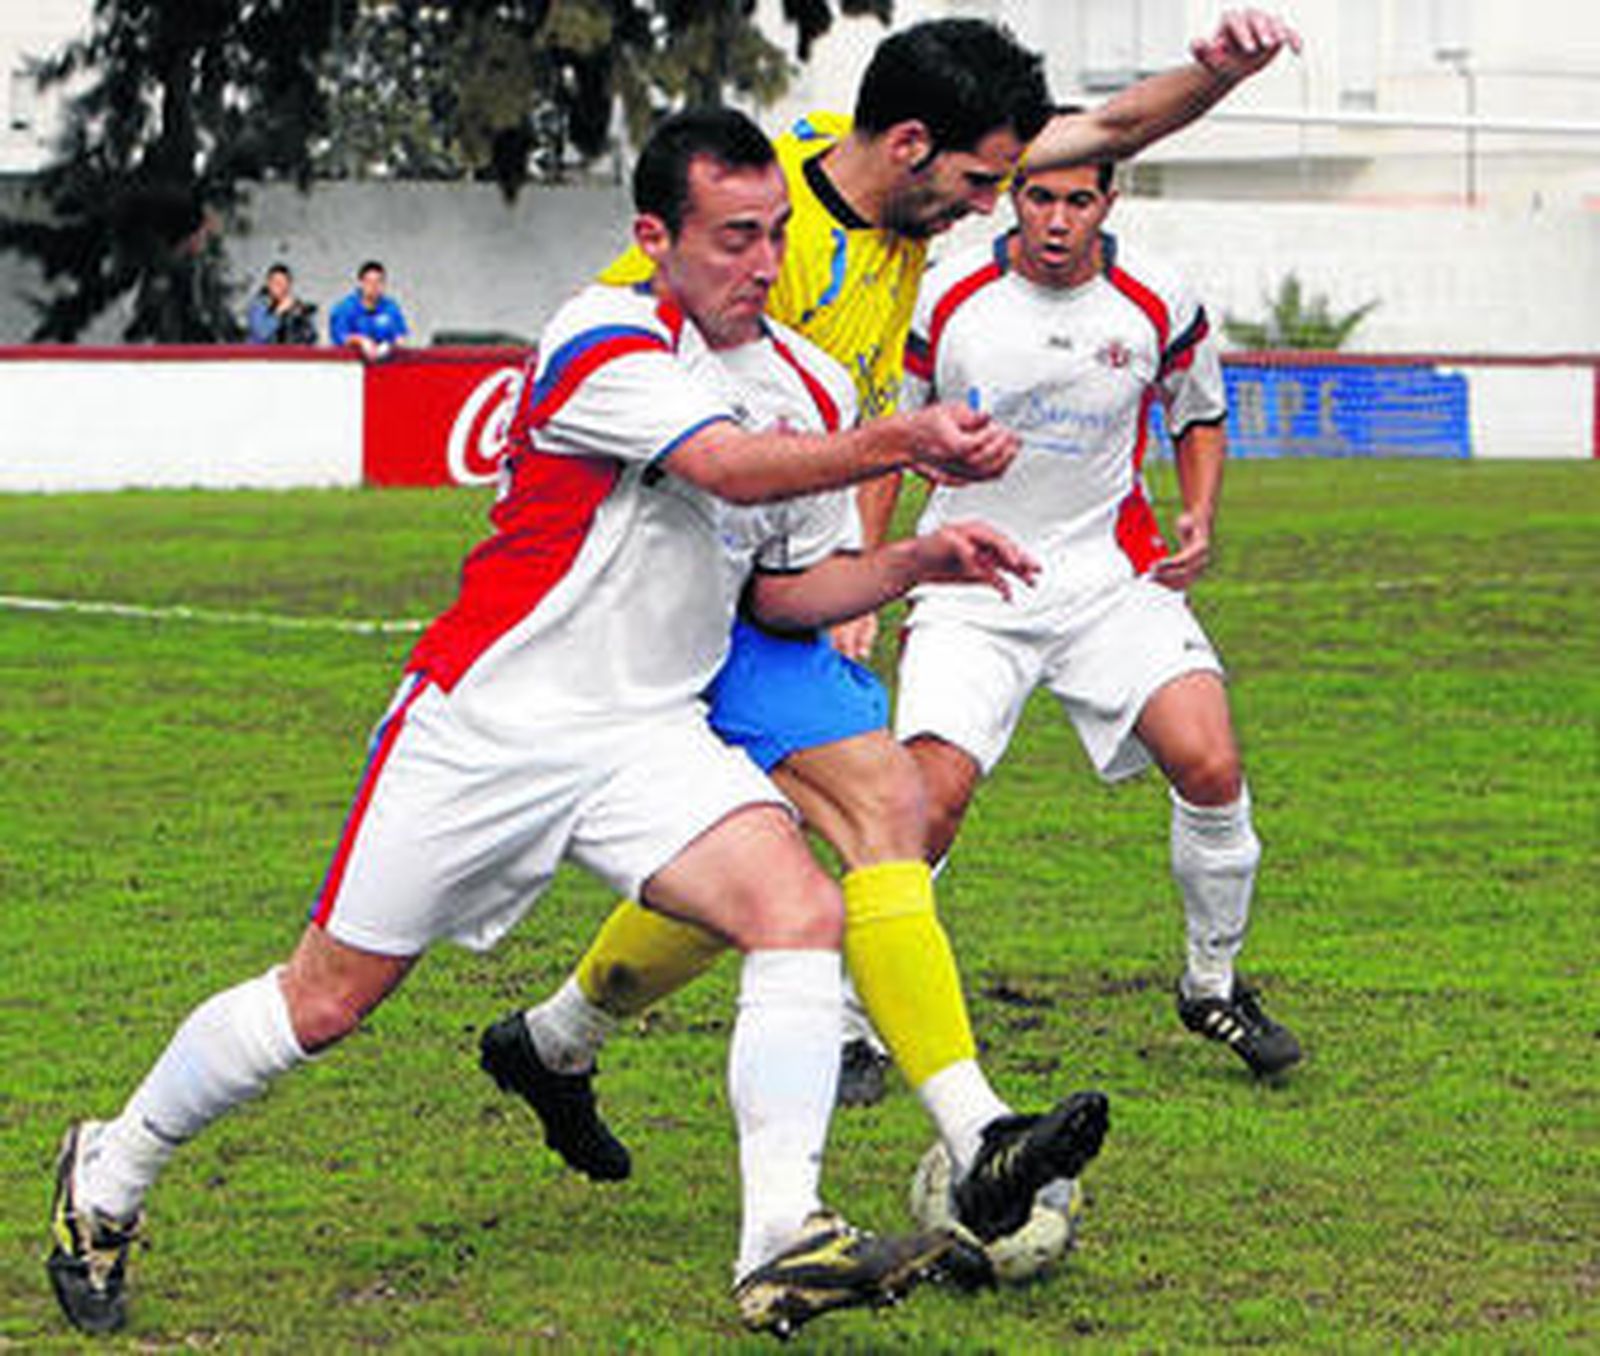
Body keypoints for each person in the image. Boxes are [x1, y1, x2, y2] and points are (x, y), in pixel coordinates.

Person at [44, 107, 1074, 1341]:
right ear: (656, 237)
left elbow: (780, 593)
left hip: (646, 734)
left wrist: (911, 561)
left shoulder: (805, 381)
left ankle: (782, 1239)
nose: (762, 264)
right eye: (733, 238)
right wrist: (898, 440)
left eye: (775, 235)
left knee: (796, 909)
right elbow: (721, 467)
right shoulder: (603, 333)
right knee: (323, 1003)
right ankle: (109, 1170)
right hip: (488, 724)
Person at [476, 10, 1300, 1199]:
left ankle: (965, 1137)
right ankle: (586, 1062)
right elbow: (602, 350)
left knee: (862, 817)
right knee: (351, 983)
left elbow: (1115, 124)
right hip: (653, 594)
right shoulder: (762, 229)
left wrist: (1214, 74)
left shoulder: (882, 165)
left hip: (774, 586)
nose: (990, 209)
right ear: (911, 146)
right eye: (979, 185)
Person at [893, 153, 1301, 1077]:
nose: (1057, 219)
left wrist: (1200, 514)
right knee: (927, 804)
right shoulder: (946, 294)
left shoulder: (1158, 297)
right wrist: (866, 568)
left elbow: (1198, 413)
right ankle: (858, 1022)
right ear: (1013, 198)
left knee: (1211, 761)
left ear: (1109, 203)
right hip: (971, 585)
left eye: (1079, 200)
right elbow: (887, 440)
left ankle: (1212, 985)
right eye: (1040, 197)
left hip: (1110, 580)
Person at [328, 260, 408, 359]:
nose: (374, 286)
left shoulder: (391, 307)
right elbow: (340, 337)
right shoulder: (345, 308)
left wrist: (389, 346)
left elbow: (399, 337)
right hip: (352, 362)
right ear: (361, 283)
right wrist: (361, 341)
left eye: (379, 282)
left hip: (385, 362)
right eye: (369, 282)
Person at [244, 263, 317, 345]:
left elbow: (311, 337)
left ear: (289, 284)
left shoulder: (296, 306)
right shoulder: (259, 304)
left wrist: (304, 318)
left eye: (284, 282)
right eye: (276, 282)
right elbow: (261, 334)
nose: (280, 286)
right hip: (261, 352)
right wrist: (278, 312)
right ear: (268, 283)